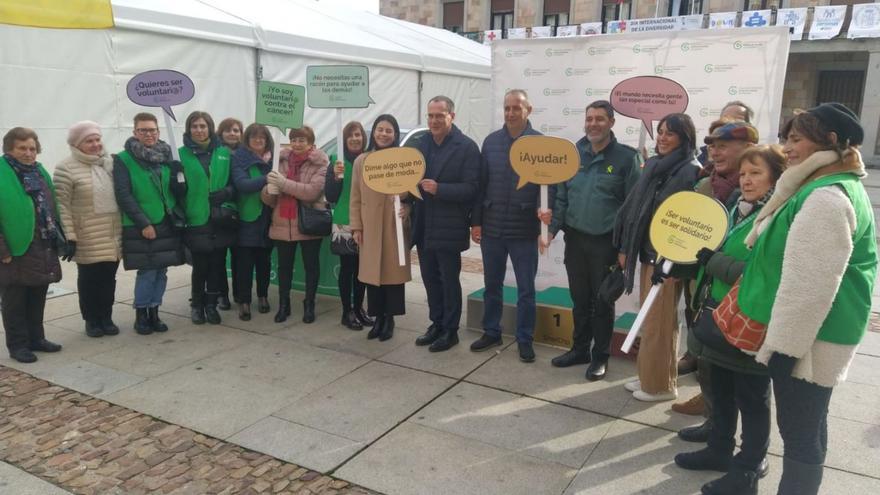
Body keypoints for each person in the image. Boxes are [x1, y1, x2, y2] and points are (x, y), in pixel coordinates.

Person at [739, 103, 877, 495]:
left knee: (801, 435)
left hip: (809, 341)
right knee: (810, 428)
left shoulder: (826, 196)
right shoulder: (828, 185)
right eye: (786, 139)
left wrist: (783, 351)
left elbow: (809, 288)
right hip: (816, 334)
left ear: (829, 141)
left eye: (796, 139)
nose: (787, 148)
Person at [674, 145, 785, 495]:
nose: (747, 180)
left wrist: (712, 260)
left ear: (776, 178)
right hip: (720, 315)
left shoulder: (776, 216)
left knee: (752, 398)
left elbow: (760, 273)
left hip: (750, 321)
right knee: (720, 389)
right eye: (745, 173)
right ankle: (719, 449)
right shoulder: (738, 207)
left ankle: (749, 467)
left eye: (757, 173)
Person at [673, 121, 759, 437]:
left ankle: (736, 442)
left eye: (723, 145)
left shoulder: (760, 194)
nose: (715, 151)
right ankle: (714, 424)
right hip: (705, 289)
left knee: (743, 382)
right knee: (708, 361)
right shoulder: (708, 184)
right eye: (712, 145)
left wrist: (715, 261)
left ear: (748, 148)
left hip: (738, 301)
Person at [546, 100, 641, 380]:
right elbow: (562, 197)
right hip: (575, 239)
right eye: (589, 119)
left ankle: (600, 357)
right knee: (579, 299)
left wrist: (625, 249)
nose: (593, 124)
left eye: (600, 119)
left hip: (606, 244)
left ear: (611, 123)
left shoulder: (626, 158)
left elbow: (633, 209)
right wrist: (551, 230)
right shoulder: (573, 154)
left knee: (602, 303)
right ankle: (579, 350)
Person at [613, 113, 701, 401]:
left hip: (667, 260)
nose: (662, 137)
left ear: (684, 138)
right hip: (649, 253)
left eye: (670, 133)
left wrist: (676, 262)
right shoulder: (657, 166)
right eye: (660, 131)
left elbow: (688, 222)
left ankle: (661, 386)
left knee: (660, 325)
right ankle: (648, 377)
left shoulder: (690, 170)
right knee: (651, 322)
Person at [470, 89, 553, 363]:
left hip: (524, 229)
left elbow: (550, 188)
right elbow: (481, 186)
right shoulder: (491, 142)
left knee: (526, 289)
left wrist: (547, 224)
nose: (510, 113)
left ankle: (524, 338)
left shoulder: (541, 144)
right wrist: (477, 222)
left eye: (516, 108)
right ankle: (491, 331)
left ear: (528, 109)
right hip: (492, 227)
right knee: (491, 284)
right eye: (506, 108)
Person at [411, 96, 480, 352]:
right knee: (429, 278)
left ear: (452, 116)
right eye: (430, 115)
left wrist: (441, 189)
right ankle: (436, 323)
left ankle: (450, 331)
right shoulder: (421, 144)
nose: (434, 120)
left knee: (449, 280)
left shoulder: (467, 147)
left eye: (439, 115)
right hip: (424, 223)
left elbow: (473, 189)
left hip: (449, 224)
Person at [113, 112, 186, 335]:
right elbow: (124, 194)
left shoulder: (167, 155)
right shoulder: (124, 159)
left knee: (162, 270)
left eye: (152, 130)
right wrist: (143, 223)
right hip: (142, 223)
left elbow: (177, 192)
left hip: (165, 221)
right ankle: (141, 314)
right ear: (135, 132)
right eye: (143, 130)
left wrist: (178, 177)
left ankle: (155, 311)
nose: (148, 134)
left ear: (158, 131)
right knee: (147, 270)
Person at [0, 128, 65, 363]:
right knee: (14, 299)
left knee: (38, 292)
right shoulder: (2, 172)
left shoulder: (38, 170)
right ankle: (18, 345)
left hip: (41, 243)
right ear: (9, 149)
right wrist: (3, 250)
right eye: (22, 148)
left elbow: (51, 203)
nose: (28, 153)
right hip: (15, 247)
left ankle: (37, 338)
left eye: (32, 148)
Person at [53, 121, 122, 338]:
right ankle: (91, 319)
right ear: (76, 144)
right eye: (89, 141)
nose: (95, 144)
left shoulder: (110, 163)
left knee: (109, 278)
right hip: (87, 233)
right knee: (90, 279)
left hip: (112, 232)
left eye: (97, 139)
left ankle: (106, 316)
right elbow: (61, 205)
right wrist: (69, 235)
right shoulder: (66, 168)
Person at [350, 114, 412, 342]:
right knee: (372, 275)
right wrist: (356, 226)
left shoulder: (403, 161)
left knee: (392, 275)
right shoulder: (362, 161)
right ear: (373, 132)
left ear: (394, 135)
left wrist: (407, 206)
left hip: (394, 224)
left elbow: (413, 192)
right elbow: (355, 196)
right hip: (370, 225)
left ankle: (390, 319)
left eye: (388, 130)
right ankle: (377, 318)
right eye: (380, 129)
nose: (383, 134)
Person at [263, 126, 329, 324]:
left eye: (302, 140)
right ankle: (284, 305)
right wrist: (269, 189)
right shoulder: (279, 161)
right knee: (284, 267)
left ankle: (309, 304)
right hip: (283, 223)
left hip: (308, 223)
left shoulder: (320, 163)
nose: (297, 143)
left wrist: (282, 184)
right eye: (294, 139)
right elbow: (269, 200)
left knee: (311, 266)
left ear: (311, 143)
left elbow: (311, 192)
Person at [179, 111, 237, 325]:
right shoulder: (180, 155)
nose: (199, 130)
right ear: (189, 129)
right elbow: (174, 188)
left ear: (210, 128)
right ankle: (197, 305)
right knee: (200, 264)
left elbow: (234, 182)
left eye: (203, 126)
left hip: (219, 217)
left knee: (216, 263)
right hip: (196, 217)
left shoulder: (223, 153)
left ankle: (211, 305)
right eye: (195, 126)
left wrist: (227, 193)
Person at [325, 121, 373, 330]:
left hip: (367, 221)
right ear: (344, 139)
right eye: (351, 135)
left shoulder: (370, 160)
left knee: (362, 269)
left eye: (358, 134)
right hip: (344, 221)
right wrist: (335, 178)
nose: (355, 138)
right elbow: (330, 196)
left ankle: (360, 308)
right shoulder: (336, 161)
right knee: (348, 268)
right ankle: (347, 311)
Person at [231, 123, 274, 321]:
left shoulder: (274, 158)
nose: (258, 140)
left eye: (262, 137)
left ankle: (263, 296)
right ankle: (244, 301)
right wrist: (268, 178)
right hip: (247, 219)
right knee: (245, 264)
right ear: (247, 139)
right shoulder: (239, 158)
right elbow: (242, 184)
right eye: (254, 137)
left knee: (264, 262)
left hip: (268, 219)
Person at [216, 117, 245, 310]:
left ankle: (239, 294)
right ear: (221, 133)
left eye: (236, 130)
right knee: (219, 257)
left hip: (241, 212)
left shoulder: (245, 153)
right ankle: (222, 294)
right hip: (220, 211)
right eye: (228, 130)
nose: (232, 133)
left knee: (239, 258)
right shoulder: (215, 153)